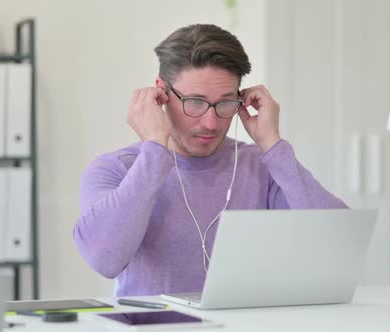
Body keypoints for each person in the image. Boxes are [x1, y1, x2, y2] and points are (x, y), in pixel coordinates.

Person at [73, 24, 346, 296]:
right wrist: (155, 147)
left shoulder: (263, 167)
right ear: (160, 93)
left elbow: (339, 246)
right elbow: (104, 260)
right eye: (194, 102)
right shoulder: (117, 169)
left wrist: (272, 145)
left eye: (226, 103)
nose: (211, 122)